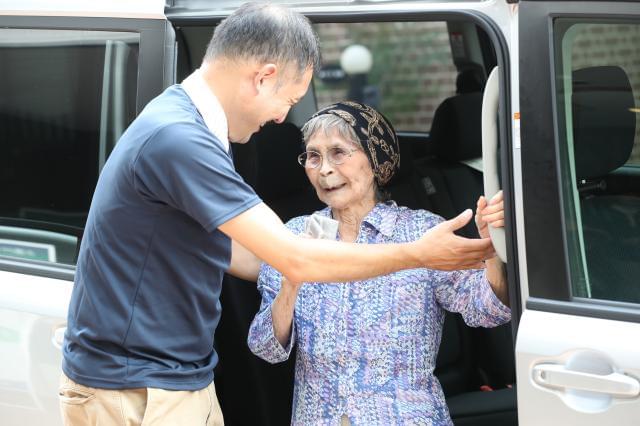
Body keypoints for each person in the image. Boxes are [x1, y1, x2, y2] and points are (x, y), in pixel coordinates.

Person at [59, 3, 496, 426]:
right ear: (264, 77)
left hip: (171, 382)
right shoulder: (181, 140)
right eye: (289, 100)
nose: (282, 118)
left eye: (340, 153)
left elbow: (247, 255)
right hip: (140, 390)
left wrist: (488, 248)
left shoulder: (189, 130)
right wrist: (417, 255)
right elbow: (290, 263)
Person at [247, 101, 510, 425]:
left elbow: (489, 311)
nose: (324, 168)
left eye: (338, 153)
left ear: (375, 161)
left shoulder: (421, 232)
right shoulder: (294, 235)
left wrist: (493, 251)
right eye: (313, 156)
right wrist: (293, 277)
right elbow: (265, 348)